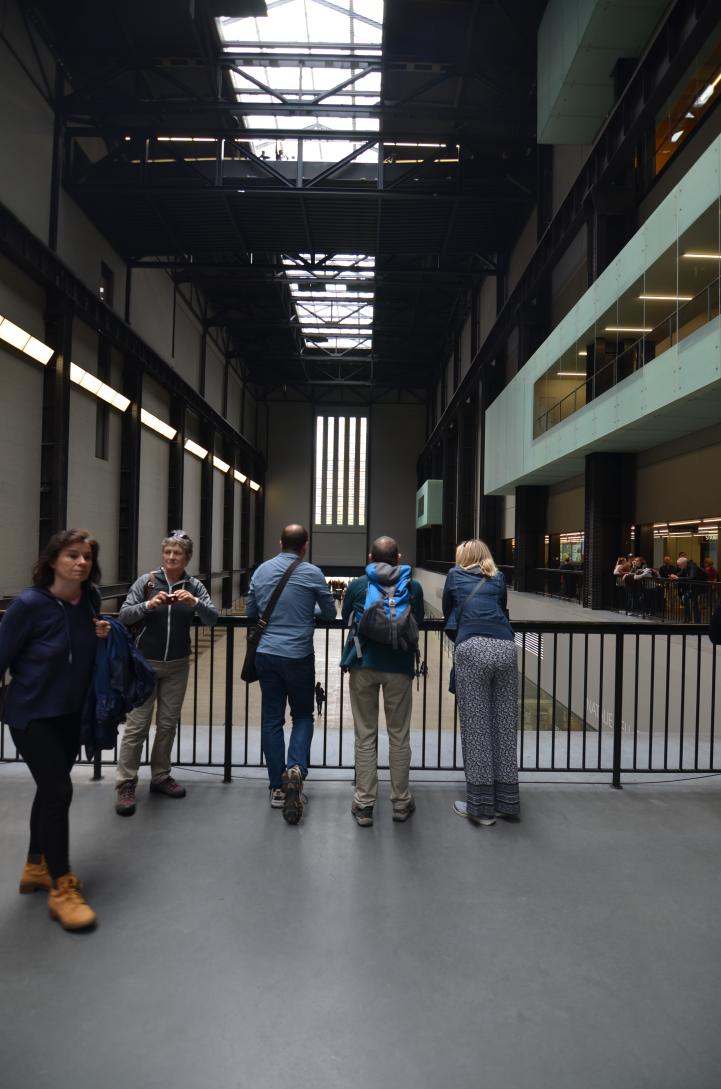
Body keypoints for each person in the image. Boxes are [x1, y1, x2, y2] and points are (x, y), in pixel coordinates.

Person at [0, 529, 110, 931]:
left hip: (70, 714)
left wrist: (103, 634)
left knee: (50, 790)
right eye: (72, 555)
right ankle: (62, 886)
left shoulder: (90, 600)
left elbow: (84, 649)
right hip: (32, 714)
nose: (81, 562)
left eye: (87, 557)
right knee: (59, 791)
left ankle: (35, 866)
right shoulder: (29, 605)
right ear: (52, 561)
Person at [114, 531, 218, 816]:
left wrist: (194, 603)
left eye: (178, 553)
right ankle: (126, 782)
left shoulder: (194, 586)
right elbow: (124, 615)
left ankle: (160, 776)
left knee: (168, 724)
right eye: (168, 552)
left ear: (187, 558)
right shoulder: (146, 582)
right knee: (137, 726)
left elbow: (212, 618)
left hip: (177, 665)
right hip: (144, 665)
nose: (172, 557)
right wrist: (149, 605)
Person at [246, 524, 335, 824]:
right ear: (305, 546)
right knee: (303, 716)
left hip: (267, 654)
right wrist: (308, 613)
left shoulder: (261, 571)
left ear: (280, 542)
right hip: (298, 656)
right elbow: (330, 613)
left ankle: (277, 787)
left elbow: (252, 610)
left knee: (272, 719)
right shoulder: (312, 573)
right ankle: (295, 768)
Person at [342, 537, 424, 827]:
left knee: (365, 734)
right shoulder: (412, 586)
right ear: (398, 557)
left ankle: (364, 803)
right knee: (399, 735)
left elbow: (345, 616)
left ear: (370, 557)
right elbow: (418, 620)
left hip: (362, 664)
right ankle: (401, 802)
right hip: (399, 666)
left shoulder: (358, 585)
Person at [442, 539, 519, 826]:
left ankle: (481, 807)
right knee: (504, 725)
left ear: (462, 557)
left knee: (477, 728)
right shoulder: (498, 577)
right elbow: (502, 606)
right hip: (506, 647)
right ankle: (507, 802)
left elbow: (448, 609)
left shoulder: (454, 575)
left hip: (472, 647)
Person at [669, 555, 704, 622]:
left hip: (700, 586)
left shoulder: (692, 566)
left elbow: (691, 577)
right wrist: (673, 576)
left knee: (693, 603)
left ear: (684, 564)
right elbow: (679, 574)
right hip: (694, 587)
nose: (679, 567)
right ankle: (691, 619)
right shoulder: (685, 566)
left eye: (679, 565)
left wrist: (678, 578)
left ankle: (694, 620)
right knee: (690, 601)